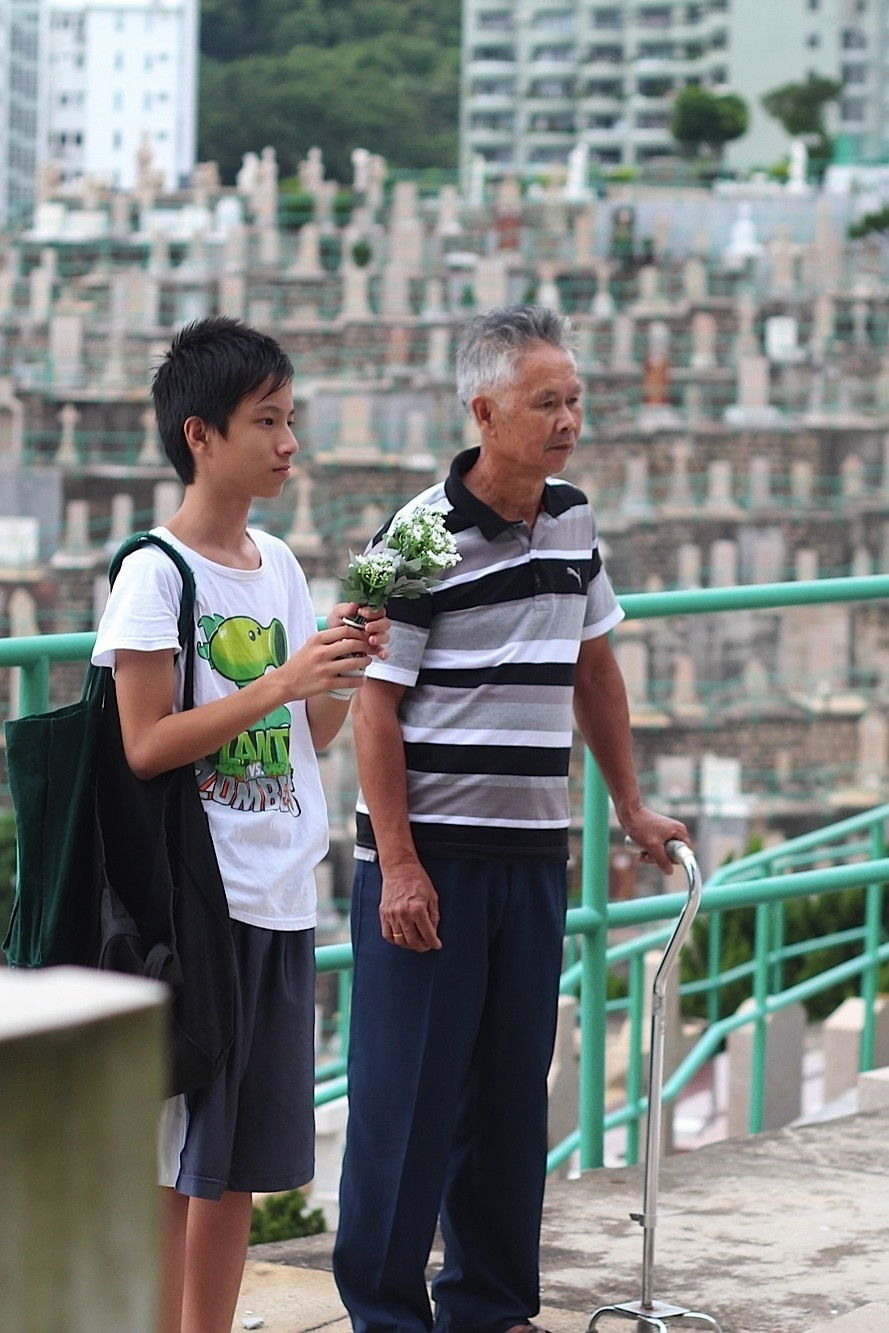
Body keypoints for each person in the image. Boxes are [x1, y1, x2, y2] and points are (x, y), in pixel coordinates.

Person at [332, 305, 690, 1333]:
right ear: (484, 411)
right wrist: (397, 864)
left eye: (574, 399)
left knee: (505, 1095)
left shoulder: (573, 517)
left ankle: (489, 1306)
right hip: (430, 855)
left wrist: (627, 803)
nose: (568, 418)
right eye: (547, 402)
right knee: (406, 1101)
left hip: (533, 850)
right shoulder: (406, 540)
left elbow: (593, 661)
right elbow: (373, 704)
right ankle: (386, 1316)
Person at [91, 316, 389, 1333]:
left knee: (231, 1172)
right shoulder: (155, 574)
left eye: (289, 418)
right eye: (267, 420)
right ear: (199, 434)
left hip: (279, 892)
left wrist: (339, 667)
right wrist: (278, 681)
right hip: (198, 902)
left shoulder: (281, 567)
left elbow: (312, 728)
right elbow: (143, 743)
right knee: (180, 1158)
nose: (288, 441)